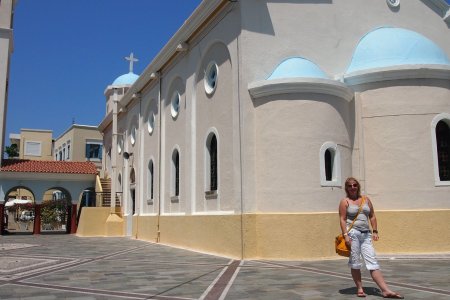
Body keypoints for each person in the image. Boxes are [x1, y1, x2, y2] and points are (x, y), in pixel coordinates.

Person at [339, 177, 404, 299]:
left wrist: (375, 231)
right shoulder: (345, 201)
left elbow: (372, 216)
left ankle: (385, 290)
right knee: (355, 262)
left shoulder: (366, 199)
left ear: (358, 186)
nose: (352, 187)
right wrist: (346, 235)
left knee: (372, 261)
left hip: (366, 234)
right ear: (346, 188)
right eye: (349, 186)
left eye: (354, 185)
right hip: (352, 233)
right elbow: (342, 219)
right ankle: (359, 288)